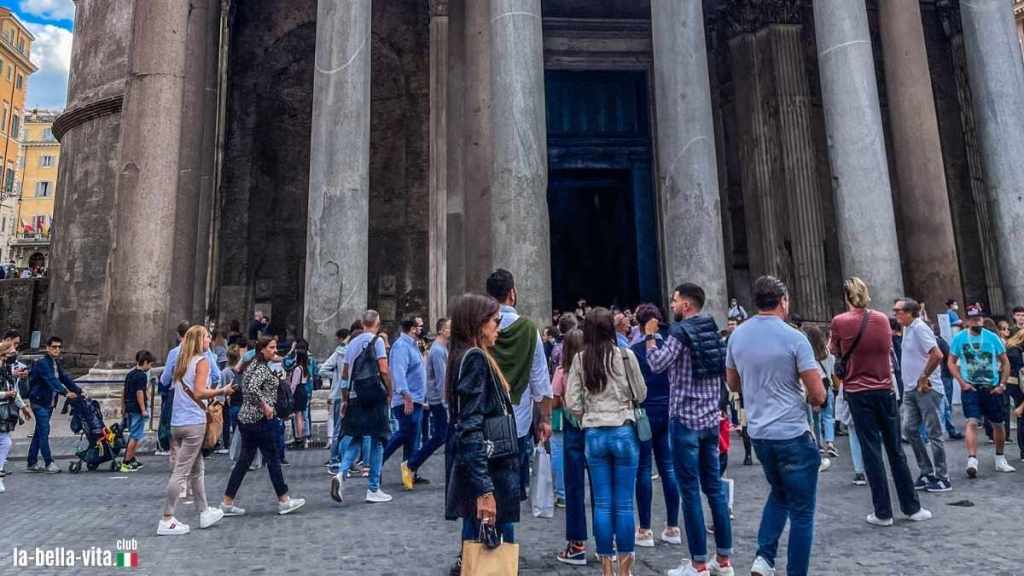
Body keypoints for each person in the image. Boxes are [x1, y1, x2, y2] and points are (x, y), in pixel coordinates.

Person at [726, 276, 825, 576]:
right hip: (792, 432)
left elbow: (732, 383)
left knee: (779, 493)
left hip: (759, 434)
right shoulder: (795, 338)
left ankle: (764, 558)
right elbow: (818, 395)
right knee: (803, 512)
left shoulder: (737, 336)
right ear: (783, 301)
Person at [643, 284, 733, 576]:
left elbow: (657, 364)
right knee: (715, 489)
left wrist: (650, 337)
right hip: (709, 420)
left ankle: (698, 564)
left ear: (686, 305)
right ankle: (724, 560)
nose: (672, 305)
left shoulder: (681, 333)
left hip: (685, 421)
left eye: (675, 300)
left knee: (691, 492)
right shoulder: (711, 328)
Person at [829, 278, 930, 527]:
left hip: (857, 392)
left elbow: (834, 351)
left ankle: (883, 512)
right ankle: (912, 507)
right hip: (885, 389)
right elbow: (886, 348)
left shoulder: (840, 322)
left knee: (871, 451)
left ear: (846, 297)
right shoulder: (883, 319)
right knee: (895, 450)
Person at [565, 307, 646, 576]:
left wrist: (586, 415)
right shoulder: (625, 355)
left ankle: (606, 568)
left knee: (601, 502)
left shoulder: (580, 359)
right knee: (623, 503)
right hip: (623, 429)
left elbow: (571, 402)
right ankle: (625, 568)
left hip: (594, 433)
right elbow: (641, 392)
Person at [445, 294, 521, 576]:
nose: (498, 327)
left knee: (478, 544)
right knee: (496, 552)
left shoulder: (466, 357)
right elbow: (471, 426)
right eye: (495, 321)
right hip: (492, 473)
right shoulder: (475, 359)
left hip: (485, 471)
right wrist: (485, 489)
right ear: (478, 324)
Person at [158, 325, 233, 536]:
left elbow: (167, 382)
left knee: (196, 469)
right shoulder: (201, 362)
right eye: (207, 337)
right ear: (199, 340)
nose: (210, 341)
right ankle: (167, 518)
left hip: (177, 422)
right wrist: (222, 390)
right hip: (193, 422)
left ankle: (204, 511)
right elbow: (200, 392)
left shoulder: (182, 360)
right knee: (182, 471)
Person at [486, 269, 553, 502]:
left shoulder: (480, 328)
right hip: (518, 419)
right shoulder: (528, 329)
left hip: (484, 417)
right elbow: (541, 382)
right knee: (509, 492)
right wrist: (544, 419)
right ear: (512, 293)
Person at [220, 336, 306, 518]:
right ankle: (284, 500)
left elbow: (247, 385)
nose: (275, 351)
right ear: (262, 350)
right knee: (273, 458)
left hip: (247, 419)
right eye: (272, 347)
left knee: (244, 462)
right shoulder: (259, 368)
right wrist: (265, 406)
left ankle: (227, 502)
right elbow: (251, 388)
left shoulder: (253, 365)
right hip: (259, 420)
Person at [629, 303, 681, 549]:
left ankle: (645, 529)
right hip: (668, 410)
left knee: (643, 470)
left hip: (644, 413)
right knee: (668, 469)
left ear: (640, 325)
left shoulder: (634, 351)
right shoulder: (670, 348)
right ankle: (673, 526)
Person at [330, 310, 393, 505]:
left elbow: (346, 376)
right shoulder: (377, 341)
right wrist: (390, 391)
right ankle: (373, 488)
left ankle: (341, 474)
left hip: (356, 397)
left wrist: (345, 399)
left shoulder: (351, 344)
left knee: (356, 437)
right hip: (374, 397)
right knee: (378, 439)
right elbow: (383, 369)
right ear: (377, 323)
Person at [948, 304, 1016, 476]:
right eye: (972, 319)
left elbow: (1005, 362)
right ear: (967, 321)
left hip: (991, 387)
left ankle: (1000, 458)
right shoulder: (959, 338)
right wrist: (962, 382)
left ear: (982, 319)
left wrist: (1002, 384)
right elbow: (951, 362)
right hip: (971, 388)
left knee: (998, 424)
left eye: (978, 318)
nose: (976, 321)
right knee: (971, 422)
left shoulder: (992, 337)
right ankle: (972, 459)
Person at [893, 298, 952, 492]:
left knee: (933, 432)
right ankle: (926, 471)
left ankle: (943, 477)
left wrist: (924, 377)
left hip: (927, 388)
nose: (895, 314)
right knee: (909, 430)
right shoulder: (908, 329)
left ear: (910, 313)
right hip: (911, 389)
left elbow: (937, 354)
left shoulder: (919, 328)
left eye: (898, 311)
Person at [554, 329, 593, 566]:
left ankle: (577, 544)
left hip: (573, 431)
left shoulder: (563, 372)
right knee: (602, 489)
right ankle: (607, 544)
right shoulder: (596, 369)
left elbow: (555, 397)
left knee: (574, 489)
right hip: (595, 429)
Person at [402, 317, 450, 489]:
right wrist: (447, 404)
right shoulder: (438, 351)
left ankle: (413, 464)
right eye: (450, 328)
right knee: (441, 436)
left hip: (438, 400)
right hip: (439, 401)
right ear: (442, 330)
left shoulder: (440, 349)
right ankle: (412, 464)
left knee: (443, 436)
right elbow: (441, 380)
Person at [27, 336, 81, 473]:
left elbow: (65, 378)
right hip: (39, 402)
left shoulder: (55, 363)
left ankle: (31, 462)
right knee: (44, 431)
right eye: (54, 347)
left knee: (39, 432)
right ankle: (48, 462)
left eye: (59, 347)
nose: (57, 349)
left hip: (49, 403)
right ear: (48, 347)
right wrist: (65, 393)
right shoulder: (42, 363)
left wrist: (79, 391)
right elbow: (51, 380)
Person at [382, 316, 427, 471]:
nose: (423, 328)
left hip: (416, 399)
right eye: (421, 326)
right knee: (404, 433)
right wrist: (406, 395)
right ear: (413, 329)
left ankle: (409, 472)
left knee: (412, 438)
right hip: (406, 400)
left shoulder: (414, 345)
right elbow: (398, 372)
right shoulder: (401, 346)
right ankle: (377, 463)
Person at [1, 339, 32, 493]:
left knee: (5, 442)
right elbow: (9, 392)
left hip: (4, 411)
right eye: (9, 353)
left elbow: (14, 391)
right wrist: (5, 394)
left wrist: (24, 407)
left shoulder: (6, 370)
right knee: (4, 442)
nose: (12, 356)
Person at [803, 326, 837, 472]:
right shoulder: (828, 354)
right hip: (827, 386)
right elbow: (833, 371)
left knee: (813, 420)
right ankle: (830, 442)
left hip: (811, 388)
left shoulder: (807, 355)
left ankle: (817, 443)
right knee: (828, 417)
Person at [121, 350, 155, 472]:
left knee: (133, 434)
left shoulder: (130, 374)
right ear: (145, 362)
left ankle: (131, 459)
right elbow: (140, 393)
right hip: (137, 409)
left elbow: (124, 391)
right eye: (150, 364)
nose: (150, 367)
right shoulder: (142, 376)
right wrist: (143, 409)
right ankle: (126, 462)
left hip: (130, 407)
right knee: (135, 436)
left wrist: (123, 408)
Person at [933, 326, 963, 440]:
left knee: (942, 406)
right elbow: (949, 356)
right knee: (944, 405)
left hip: (941, 375)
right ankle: (948, 430)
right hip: (943, 376)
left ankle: (946, 430)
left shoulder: (937, 341)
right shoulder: (940, 341)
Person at [1004, 327, 1024, 461]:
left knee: (1021, 417)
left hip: (1012, 384)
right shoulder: (1018, 352)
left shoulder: (1011, 348)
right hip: (1019, 383)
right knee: (1021, 415)